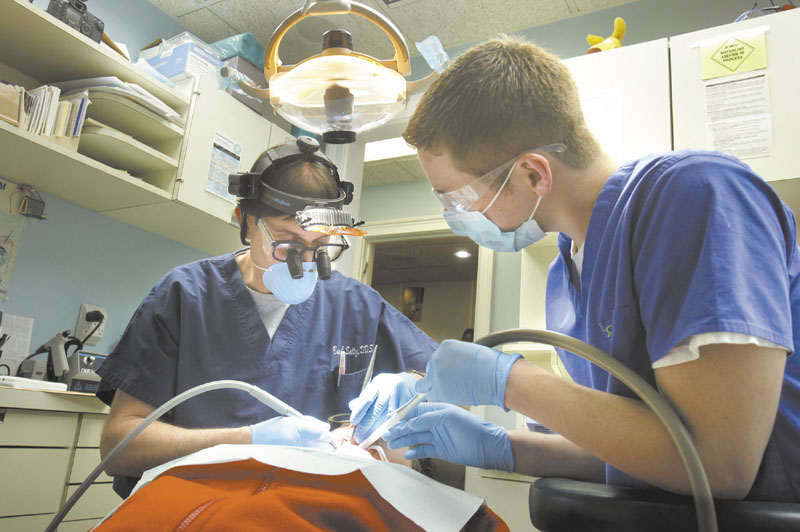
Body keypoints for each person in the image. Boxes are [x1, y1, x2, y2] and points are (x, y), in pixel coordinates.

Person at [384, 35, 800, 503]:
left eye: (457, 198)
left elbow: (719, 467)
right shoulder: (567, 273)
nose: (456, 217)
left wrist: (511, 382)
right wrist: (500, 447)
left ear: (533, 174)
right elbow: (632, 453)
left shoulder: (696, 195)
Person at [96, 136, 437, 498]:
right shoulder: (185, 296)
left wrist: (408, 388)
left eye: (322, 248)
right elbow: (119, 447)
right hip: (193, 508)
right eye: (287, 244)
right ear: (245, 222)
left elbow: (435, 376)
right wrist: (248, 441)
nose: (306, 264)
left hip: (303, 511)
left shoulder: (354, 303)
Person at [90, 425, 509, 532]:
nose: (355, 434)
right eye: (350, 426)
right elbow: (117, 447)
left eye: (380, 433)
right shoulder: (225, 459)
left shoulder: (445, 513)